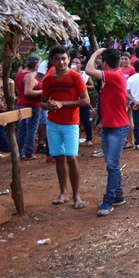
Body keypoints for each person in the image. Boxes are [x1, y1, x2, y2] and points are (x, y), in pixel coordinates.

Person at [41, 46, 90, 209]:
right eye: (57, 59)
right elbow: (42, 101)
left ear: (68, 59)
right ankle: (63, 192)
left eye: (63, 58)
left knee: (71, 157)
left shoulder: (75, 77)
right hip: (53, 123)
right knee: (59, 158)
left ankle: (76, 195)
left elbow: (86, 101)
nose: (61, 62)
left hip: (71, 123)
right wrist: (48, 105)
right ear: (52, 61)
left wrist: (63, 104)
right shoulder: (48, 80)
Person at [85, 48, 130, 217]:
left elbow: (88, 70)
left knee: (112, 164)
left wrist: (95, 53)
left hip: (118, 128)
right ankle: (118, 196)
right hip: (110, 126)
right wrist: (103, 121)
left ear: (104, 63)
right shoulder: (114, 77)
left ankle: (109, 200)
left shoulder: (115, 75)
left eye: (100, 61)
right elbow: (112, 102)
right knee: (112, 164)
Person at [15, 55, 43, 161]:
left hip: (21, 103)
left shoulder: (20, 73)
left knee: (22, 129)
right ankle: (29, 153)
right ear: (36, 66)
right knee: (31, 129)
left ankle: (20, 152)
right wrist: (43, 91)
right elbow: (28, 92)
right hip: (32, 105)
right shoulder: (29, 76)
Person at [70, 57, 95, 147]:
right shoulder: (69, 74)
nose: (75, 64)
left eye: (77, 62)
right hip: (72, 101)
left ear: (81, 65)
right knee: (75, 121)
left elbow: (92, 86)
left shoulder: (85, 75)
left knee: (85, 120)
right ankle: (75, 139)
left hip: (83, 100)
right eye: (73, 62)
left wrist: (82, 86)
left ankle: (89, 139)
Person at [0, 64, 15, 156]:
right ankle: (4, 147)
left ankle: (6, 148)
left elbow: (11, 96)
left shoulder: (10, 82)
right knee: (0, 128)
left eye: (0, 70)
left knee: (0, 128)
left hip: (3, 107)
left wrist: (10, 108)